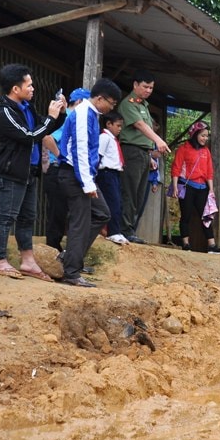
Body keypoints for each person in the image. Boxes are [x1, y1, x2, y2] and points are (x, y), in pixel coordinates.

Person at [0, 64, 65, 281]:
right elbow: (29, 136)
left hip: (29, 172)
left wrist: (58, 114)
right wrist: (51, 119)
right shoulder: (4, 111)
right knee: (6, 218)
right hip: (11, 172)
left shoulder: (26, 107)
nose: (33, 89)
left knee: (27, 218)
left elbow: (44, 127)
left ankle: (28, 261)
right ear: (15, 88)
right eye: (29, 85)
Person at [57, 78, 122, 287]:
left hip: (83, 175)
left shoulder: (93, 114)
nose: (111, 108)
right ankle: (72, 273)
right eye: (111, 103)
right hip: (75, 175)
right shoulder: (84, 113)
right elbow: (80, 151)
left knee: (102, 213)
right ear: (100, 98)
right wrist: (87, 183)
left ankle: (71, 256)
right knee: (80, 222)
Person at [118, 69, 170, 244]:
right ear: (135, 85)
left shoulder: (144, 106)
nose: (148, 90)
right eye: (145, 87)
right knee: (130, 192)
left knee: (139, 195)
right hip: (131, 151)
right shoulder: (128, 103)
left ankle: (131, 230)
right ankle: (125, 230)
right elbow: (139, 125)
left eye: (151, 88)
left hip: (144, 153)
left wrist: (151, 154)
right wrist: (158, 140)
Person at [42, 88, 88, 253]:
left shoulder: (70, 116)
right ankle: (52, 250)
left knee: (62, 212)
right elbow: (47, 138)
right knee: (58, 213)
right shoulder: (69, 117)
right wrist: (61, 156)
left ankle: (57, 250)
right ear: (80, 103)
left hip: (59, 170)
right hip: (57, 170)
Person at [171, 121, 220, 254]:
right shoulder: (184, 149)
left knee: (206, 216)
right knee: (186, 215)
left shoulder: (206, 151)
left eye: (207, 136)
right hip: (187, 186)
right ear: (194, 135)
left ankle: (211, 245)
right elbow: (176, 168)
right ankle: (186, 243)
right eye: (202, 136)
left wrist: (211, 189)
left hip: (202, 188)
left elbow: (209, 172)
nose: (205, 139)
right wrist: (175, 186)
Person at [96, 111, 130, 245]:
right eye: (118, 125)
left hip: (115, 173)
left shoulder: (113, 139)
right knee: (113, 202)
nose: (120, 129)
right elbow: (98, 156)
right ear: (108, 124)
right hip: (106, 173)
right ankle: (112, 232)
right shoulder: (104, 138)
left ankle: (116, 230)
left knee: (118, 202)